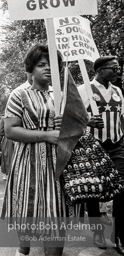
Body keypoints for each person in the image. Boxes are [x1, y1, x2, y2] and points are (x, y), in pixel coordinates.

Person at [1, 45, 65, 256]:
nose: (47, 69)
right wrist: (46, 135)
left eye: (52, 65)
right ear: (31, 69)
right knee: (28, 211)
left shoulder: (61, 95)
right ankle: (23, 250)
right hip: (29, 165)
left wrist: (70, 124)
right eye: (41, 65)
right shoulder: (19, 95)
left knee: (55, 216)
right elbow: (10, 130)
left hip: (58, 165)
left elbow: (73, 128)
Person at [77, 56, 124, 254]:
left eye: (118, 67)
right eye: (113, 68)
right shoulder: (83, 90)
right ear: (100, 70)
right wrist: (88, 122)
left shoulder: (118, 91)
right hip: (93, 146)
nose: (117, 71)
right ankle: (97, 230)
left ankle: (119, 233)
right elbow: (71, 116)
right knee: (94, 189)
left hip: (116, 144)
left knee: (121, 188)